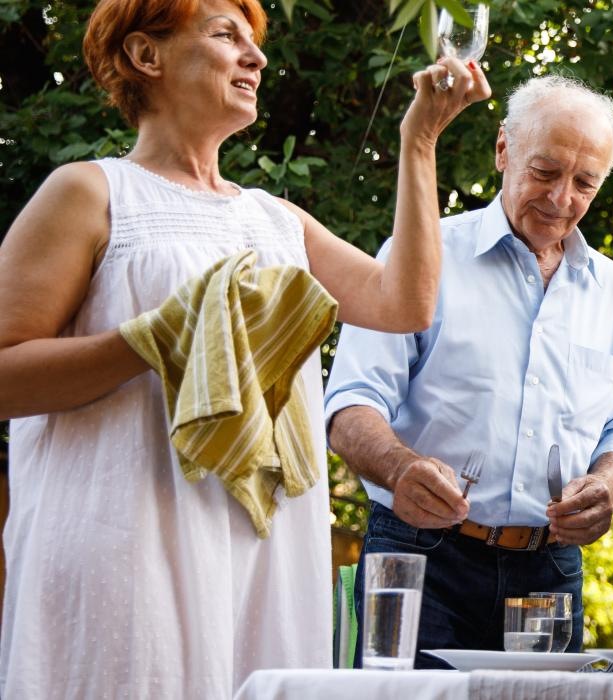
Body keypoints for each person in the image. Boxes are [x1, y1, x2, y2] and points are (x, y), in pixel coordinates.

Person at [0, 0, 485, 696]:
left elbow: (404, 303)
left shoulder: (273, 219)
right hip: (129, 545)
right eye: (227, 36)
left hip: (265, 552)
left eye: (255, 41)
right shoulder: (90, 192)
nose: (256, 58)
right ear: (147, 55)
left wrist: (420, 141)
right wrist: (152, 339)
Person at [325, 75, 613, 666]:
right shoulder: (422, 256)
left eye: (584, 183)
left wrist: (607, 484)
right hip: (419, 553)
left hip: (547, 571)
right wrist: (401, 468)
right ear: (503, 150)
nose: (560, 199)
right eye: (545, 172)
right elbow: (349, 405)